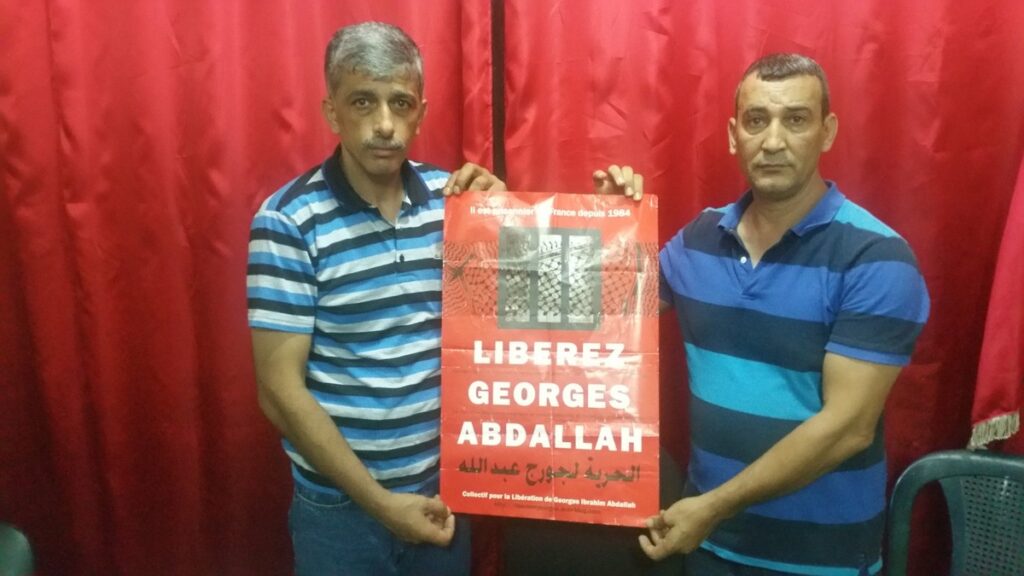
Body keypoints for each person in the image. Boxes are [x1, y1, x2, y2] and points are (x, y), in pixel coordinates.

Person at [637, 53, 930, 575]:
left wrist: (713, 507)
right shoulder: (697, 239)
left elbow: (847, 429)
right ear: (733, 135)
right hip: (705, 545)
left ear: (827, 131)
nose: (773, 141)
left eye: (795, 120)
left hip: (819, 558)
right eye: (756, 121)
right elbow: (606, 314)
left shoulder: (876, 257)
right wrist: (608, 222)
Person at [246, 22, 505, 576]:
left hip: (441, 494)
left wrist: (510, 223)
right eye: (363, 101)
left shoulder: (455, 203)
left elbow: (515, 327)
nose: (384, 125)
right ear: (332, 112)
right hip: (339, 511)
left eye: (400, 103)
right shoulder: (287, 220)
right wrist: (381, 505)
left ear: (421, 111)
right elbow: (278, 392)